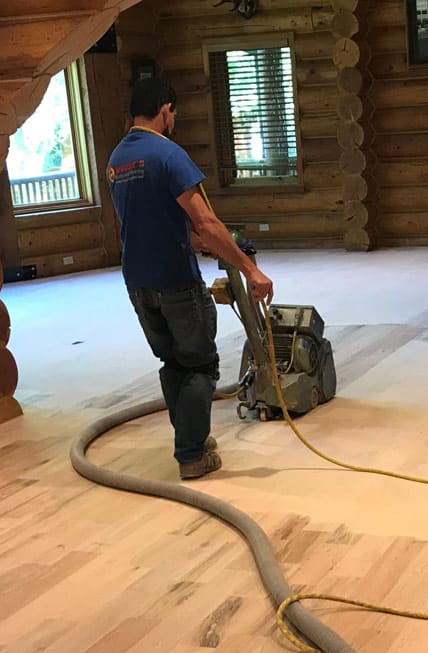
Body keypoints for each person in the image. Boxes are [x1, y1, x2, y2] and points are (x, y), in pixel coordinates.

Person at [107, 76, 275, 481]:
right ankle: (192, 455)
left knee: (172, 361)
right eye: (174, 112)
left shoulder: (116, 160)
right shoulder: (168, 154)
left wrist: (192, 238)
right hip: (175, 279)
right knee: (201, 365)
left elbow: (149, 217)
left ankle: (190, 439)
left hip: (137, 281)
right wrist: (251, 270)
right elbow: (207, 221)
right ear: (165, 109)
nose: (174, 119)